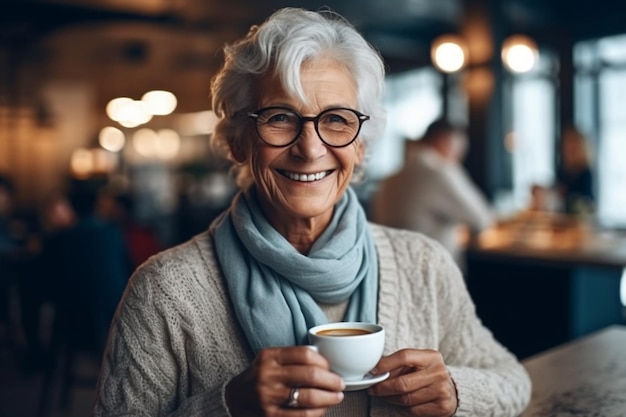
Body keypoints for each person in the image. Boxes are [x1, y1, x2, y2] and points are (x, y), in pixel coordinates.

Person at [93, 7, 530, 417]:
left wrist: (456, 389)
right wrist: (228, 405)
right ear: (239, 140)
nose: (311, 148)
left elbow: (512, 379)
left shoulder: (424, 264)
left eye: (337, 119)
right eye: (281, 117)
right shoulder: (164, 291)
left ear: (361, 145)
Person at [370, 119, 493, 266]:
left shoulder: (392, 177)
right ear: (443, 140)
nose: (459, 157)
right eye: (459, 149)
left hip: (393, 269)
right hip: (433, 274)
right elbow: (482, 218)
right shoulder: (439, 171)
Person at [555, 125, 594, 215]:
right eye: (568, 148)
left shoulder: (585, 173)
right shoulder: (563, 170)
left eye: (573, 148)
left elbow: (587, 202)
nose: (569, 152)